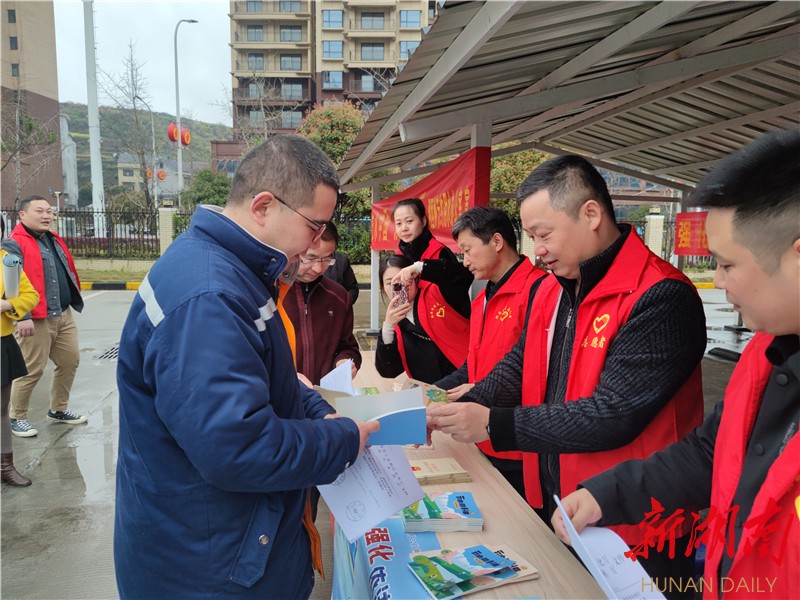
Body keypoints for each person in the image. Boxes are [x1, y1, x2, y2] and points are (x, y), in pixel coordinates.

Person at [114, 135, 379, 598]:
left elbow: (271, 381)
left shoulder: (229, 270)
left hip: (223, 545)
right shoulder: (211, 296)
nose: (318, 242)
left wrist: (317, 410)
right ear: (263, 207)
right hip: (212, 570)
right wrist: (340, 440)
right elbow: (238, 448)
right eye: (314, 226)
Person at [427, 154, 706, 586]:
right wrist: (458, 405)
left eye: (544, 235)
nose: (537, 250)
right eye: (532, 237)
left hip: (639, 526)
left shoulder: (660, 295)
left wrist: (494, 423)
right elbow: (519, 365)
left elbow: (615, 412)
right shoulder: (555, 290)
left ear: (591, 214)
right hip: (566, 509)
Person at [553, 129, 799, 599]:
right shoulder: (765, 353)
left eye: (726, 265)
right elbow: (713, 452)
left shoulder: (661, 295)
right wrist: (608, 494)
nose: (718, 282)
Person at [434, 207, 546, 497]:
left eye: (467, 250)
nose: (465, 262)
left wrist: (474, 392)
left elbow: (534, 370)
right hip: (481, 437)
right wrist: (430, 393)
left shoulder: (540, 291)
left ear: (496, 241)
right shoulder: (482, 298)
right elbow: (472, 365)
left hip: (518, 443)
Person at [9, 196, 87, 438]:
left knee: (70, 361)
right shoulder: (13, 244)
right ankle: (16, 417)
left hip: (63, 314)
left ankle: (58, 409)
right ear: (22, 215)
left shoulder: (52, 239)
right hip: (36, 318)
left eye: (49, 211)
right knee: (31, 369)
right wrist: (22, 315)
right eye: (40, 211)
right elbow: (10, 284)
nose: (46, 216)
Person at [283, 221, 362, 385]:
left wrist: (345, 361)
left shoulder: (339, 297)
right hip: (282, 394)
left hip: (324, 395)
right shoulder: (269, 295)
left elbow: (348, 347)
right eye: (310, 258)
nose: (318, 269)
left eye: (327, 259)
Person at [375, 252, 473, 384]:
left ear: (415, 278)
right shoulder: (395, 322)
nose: (398, 286)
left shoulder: (437, 293)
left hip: (466, 380)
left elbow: (463, 276)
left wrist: (420, 267)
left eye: (403, 279)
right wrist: (388, 328)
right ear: (382, 287)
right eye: (390, 283)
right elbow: (389, 371)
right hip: (428, 391)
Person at [1, 220, 39, 486]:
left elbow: (30, 295)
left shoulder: (8, 261)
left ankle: (5, 466)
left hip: (1, 342)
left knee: (1, 409)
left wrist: (8, 305)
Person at [393, 197, 460, 264]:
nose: (404, 228)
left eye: (409, 221)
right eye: (399, 223)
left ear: (423, 221)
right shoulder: (398, 256)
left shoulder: (440, 252)